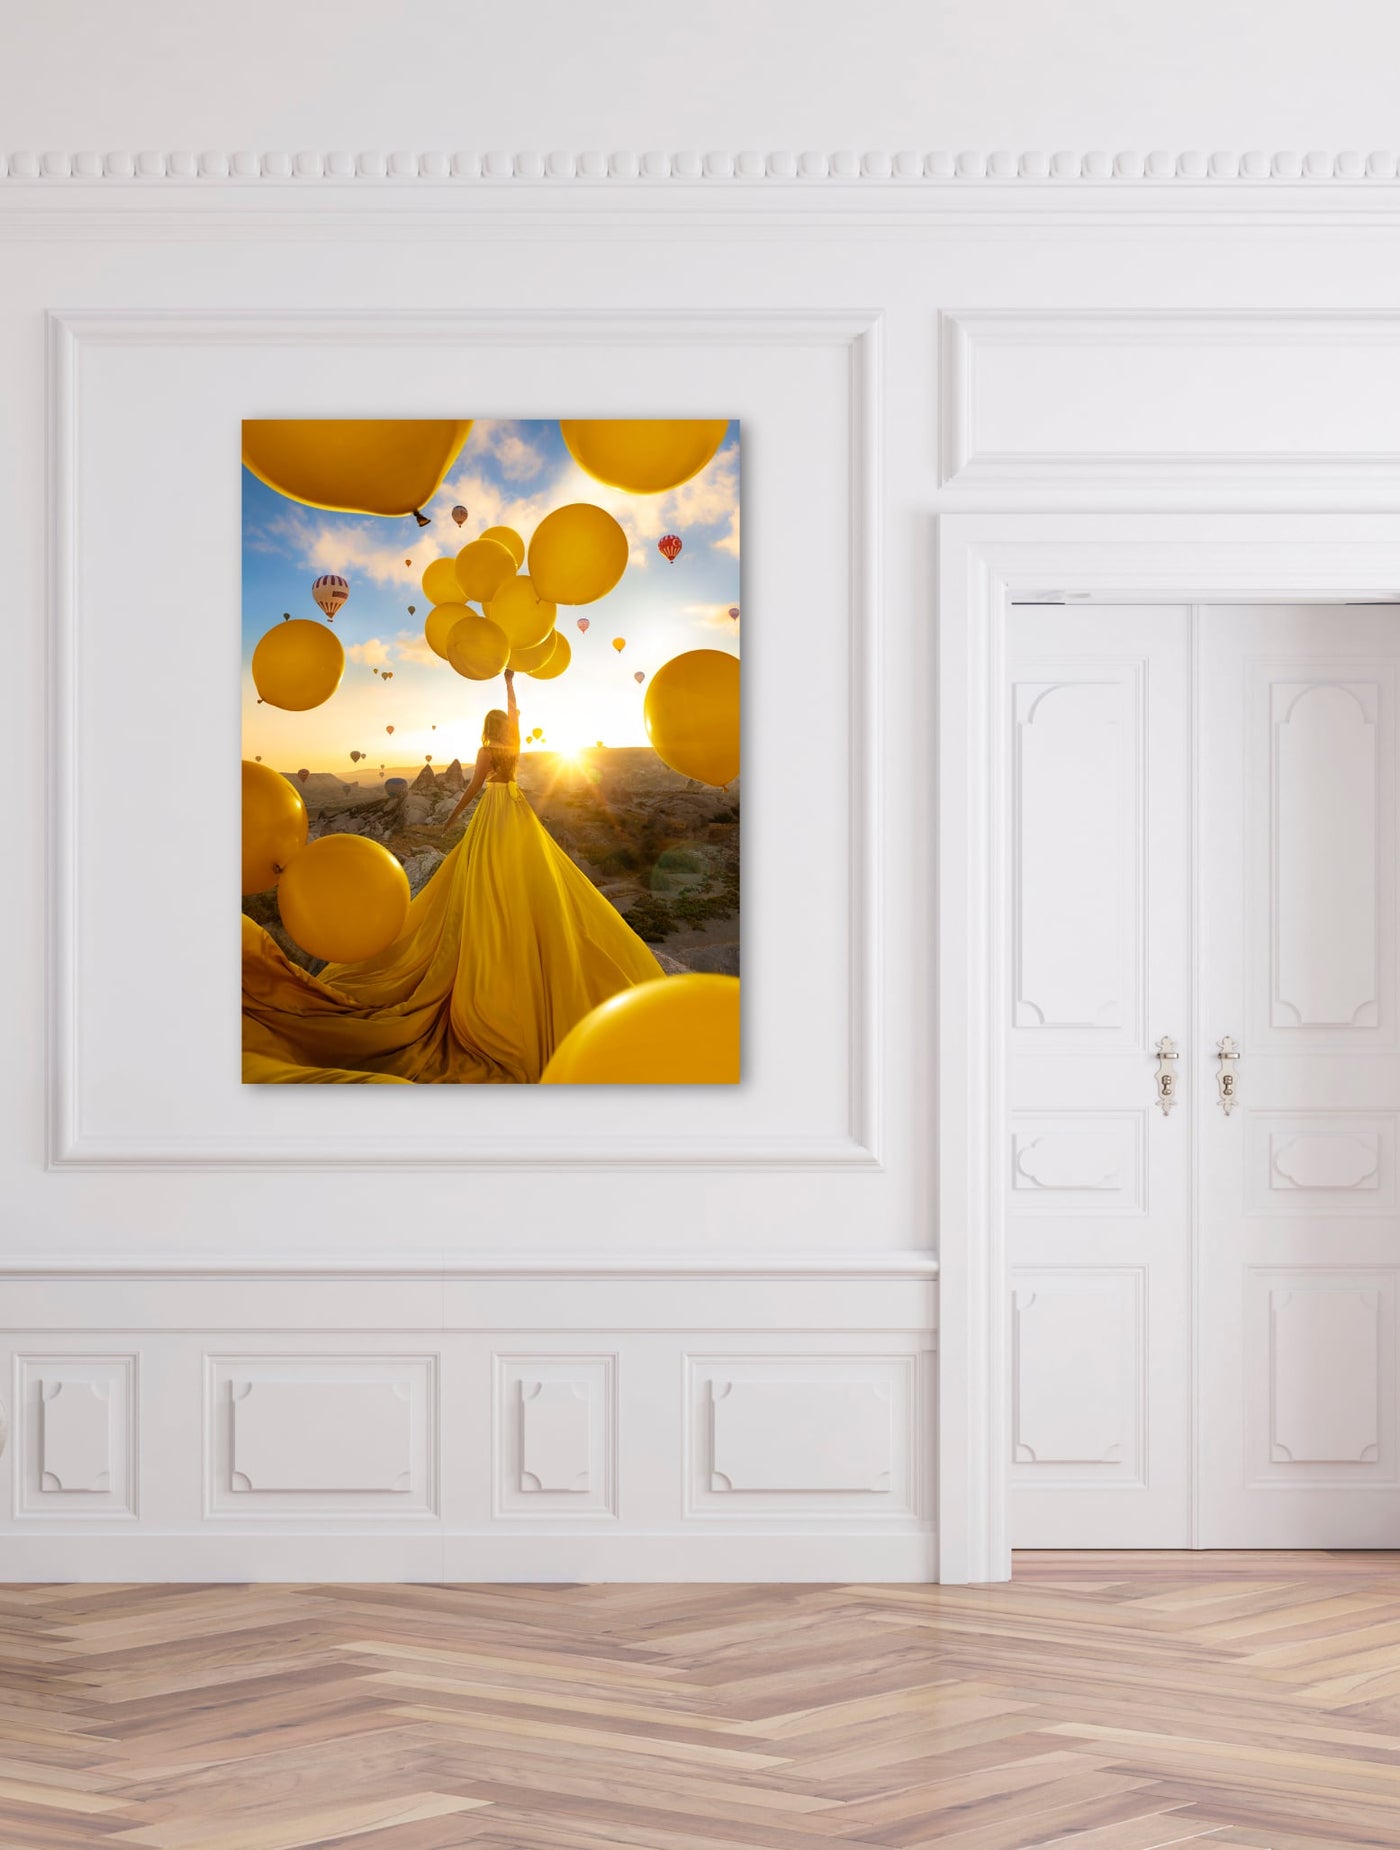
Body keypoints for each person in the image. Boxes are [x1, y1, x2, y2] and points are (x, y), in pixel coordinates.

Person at [242, 669, 664, 1083]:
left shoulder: (484, 754)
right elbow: (518, 714)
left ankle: (491, 930)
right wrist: (510, 683)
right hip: (518, 810)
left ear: (485, 727)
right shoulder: (514, 743)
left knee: (483, 873)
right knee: (526, 871)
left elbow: (471, 789)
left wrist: (451, 820)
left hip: (494, 810)